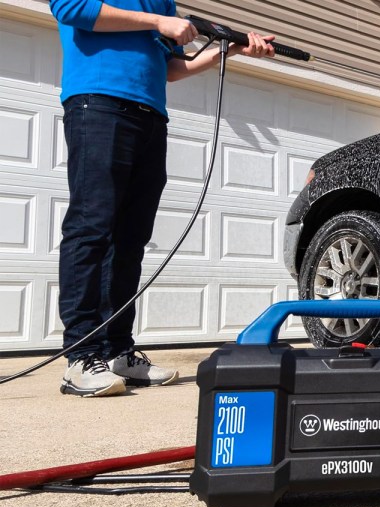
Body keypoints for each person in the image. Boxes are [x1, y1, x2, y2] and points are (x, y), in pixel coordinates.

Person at [49, 0, 275, 397]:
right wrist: (161, 22)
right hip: (98, 104)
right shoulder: (159, 13)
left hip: (150, 115)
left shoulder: (162, 2)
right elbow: (71, 9)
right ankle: (81, 355)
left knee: (131, 238)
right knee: (92, 227)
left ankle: (118, 350)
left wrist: (229, 49)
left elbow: (172, 68)